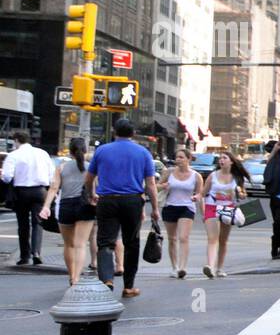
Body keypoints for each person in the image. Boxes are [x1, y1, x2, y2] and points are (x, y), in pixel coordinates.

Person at [86, 118, 159, 297]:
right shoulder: (143, 153)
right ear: (133, 133)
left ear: (114, 131)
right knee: (131, 243)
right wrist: (155, 208)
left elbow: (88, 178)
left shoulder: (102, 151)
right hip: (132, 201)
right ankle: (128, 287)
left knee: (105, 242)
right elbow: (150, 184)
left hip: (107, 200)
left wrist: (91, 194)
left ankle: (107, 280)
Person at [39, 137, 96, 286]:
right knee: (80, 244)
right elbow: (96, 189)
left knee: (68, 244)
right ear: (85, 150)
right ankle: (77, 277)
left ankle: (71, 275)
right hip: (85, 206)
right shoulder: (91, 167)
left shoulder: (62, 167)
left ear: (70, 151)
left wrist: (46, 206)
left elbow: (53, 188)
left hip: (66, 206)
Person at [2, 130, 53, 266]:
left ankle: (24, 256)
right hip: (40, 191)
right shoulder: (42, 153)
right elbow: (51, 175)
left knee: (23, 224)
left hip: (21, 192)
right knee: (38, 223)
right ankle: (36, 252)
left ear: (17, 140)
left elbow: (6, 177)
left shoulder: (14, 155)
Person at [202, 152, 249, 278]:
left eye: (224, 158)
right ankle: (210, 266)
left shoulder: (237, 177)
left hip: (228, 209)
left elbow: (243, 194)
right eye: (220, 158)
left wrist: (241, 193)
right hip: (212, 207)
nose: (221, 160)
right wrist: (197, 198)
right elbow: (203, 193)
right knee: (212, 238)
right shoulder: (213, 176)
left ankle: (220, 268)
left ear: (231, 162)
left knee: (223, 240)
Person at [159, 149, 203, 278]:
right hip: (170, 206)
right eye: (177, 157)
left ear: (188, 159)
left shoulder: (196, 176)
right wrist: (163, 186)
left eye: (181, 157)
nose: (178, 160)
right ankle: (175, 267)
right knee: (172, 239)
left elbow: (201, 193)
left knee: (183, 237)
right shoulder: (169, 172)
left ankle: (183, 267)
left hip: (187, 207)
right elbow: (156, 185)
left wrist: (197, 198)